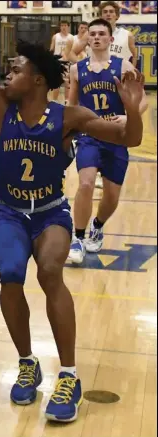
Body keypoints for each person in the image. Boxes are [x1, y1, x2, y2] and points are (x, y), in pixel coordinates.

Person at [0, 1, 144, 423]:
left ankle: (68, 375)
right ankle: (27, 362)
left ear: (36, 79)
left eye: (14, 69)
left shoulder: (69, 116)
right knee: (12, 277)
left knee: (51, 272)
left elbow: (129, 138)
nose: (6, 75)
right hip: (10, 212)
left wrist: (131, 105)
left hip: (51, 210)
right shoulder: (0, 104)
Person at [68, 19, 147, 264]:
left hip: (116, 137)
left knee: (111, 197)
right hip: (88, 136)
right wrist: (66, 133)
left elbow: (142, 100)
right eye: (93, 34)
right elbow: (71, 105)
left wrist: (128, 115)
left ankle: (98, 225)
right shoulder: (76, 70)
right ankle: (78, 238)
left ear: (111, 40)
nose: (97, 37)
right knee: (86, 184)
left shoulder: (123, 66)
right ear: (87, 39)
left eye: (102, 33)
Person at [70, 0, 138, 189]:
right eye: (104, 11)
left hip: (117, 77)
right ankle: (93, 168)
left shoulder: (126, 36)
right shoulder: (93, 32)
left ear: (117, 15)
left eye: (111, 11)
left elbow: (134, 55)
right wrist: (85, 67)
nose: (108, 14)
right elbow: (73, 52)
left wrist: (132, 73)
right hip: (93, 76)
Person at [49, 20, 73, 104]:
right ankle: (54, 101)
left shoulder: (71, 37)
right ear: (60, 27)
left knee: (67, 82)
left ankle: (67, 100)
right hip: (57, 61)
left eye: (65, 25)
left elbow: (73, 50)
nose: (63, 27)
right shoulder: (55, 36)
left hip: (67, 61)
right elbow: (51, 49)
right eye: (62, 25)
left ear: (68, 27)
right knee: (57, 82)